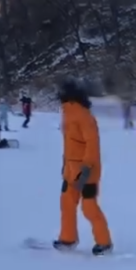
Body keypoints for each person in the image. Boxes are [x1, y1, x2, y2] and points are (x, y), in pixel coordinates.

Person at [54, 79, 113, 255]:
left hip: (87, 170)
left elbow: (92, 143)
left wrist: (86, 167)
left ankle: (104, 242)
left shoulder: (84, 116)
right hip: (70, 169)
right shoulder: (67, 112)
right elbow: (69, 143)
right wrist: (65, 165)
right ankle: (68, 238)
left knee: (88, 206)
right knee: (66, 203)